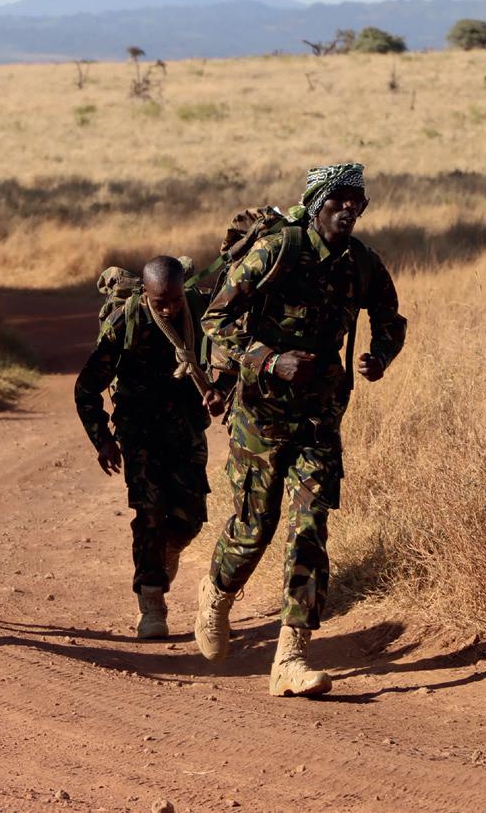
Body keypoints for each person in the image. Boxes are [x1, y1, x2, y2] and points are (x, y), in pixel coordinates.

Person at [194, 164, 407, 696]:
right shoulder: (279, 250)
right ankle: (217, 593)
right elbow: (215, 320)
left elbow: (391, 318)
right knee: (254, 526)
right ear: (316, 203)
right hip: (260, 416)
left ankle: (290, 656)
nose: (350, 208)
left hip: (319, 418)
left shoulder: (362, 263)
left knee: (310, 527)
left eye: (358, 201)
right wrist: (270, 360)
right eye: (339, 199)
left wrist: (380, 356)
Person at [74, 256, 226, 638]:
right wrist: (103, 440)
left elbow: (230, 356)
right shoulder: (124, 324)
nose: (170, 309)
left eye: (175, 300)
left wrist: (219, 391)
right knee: (149, 515)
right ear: (145, 293)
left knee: (189, 520)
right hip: (140, 434)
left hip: (186, 431)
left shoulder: (199, 313)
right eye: (161, 302)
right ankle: (151, 603)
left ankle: (166, 553)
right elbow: (86, 388)